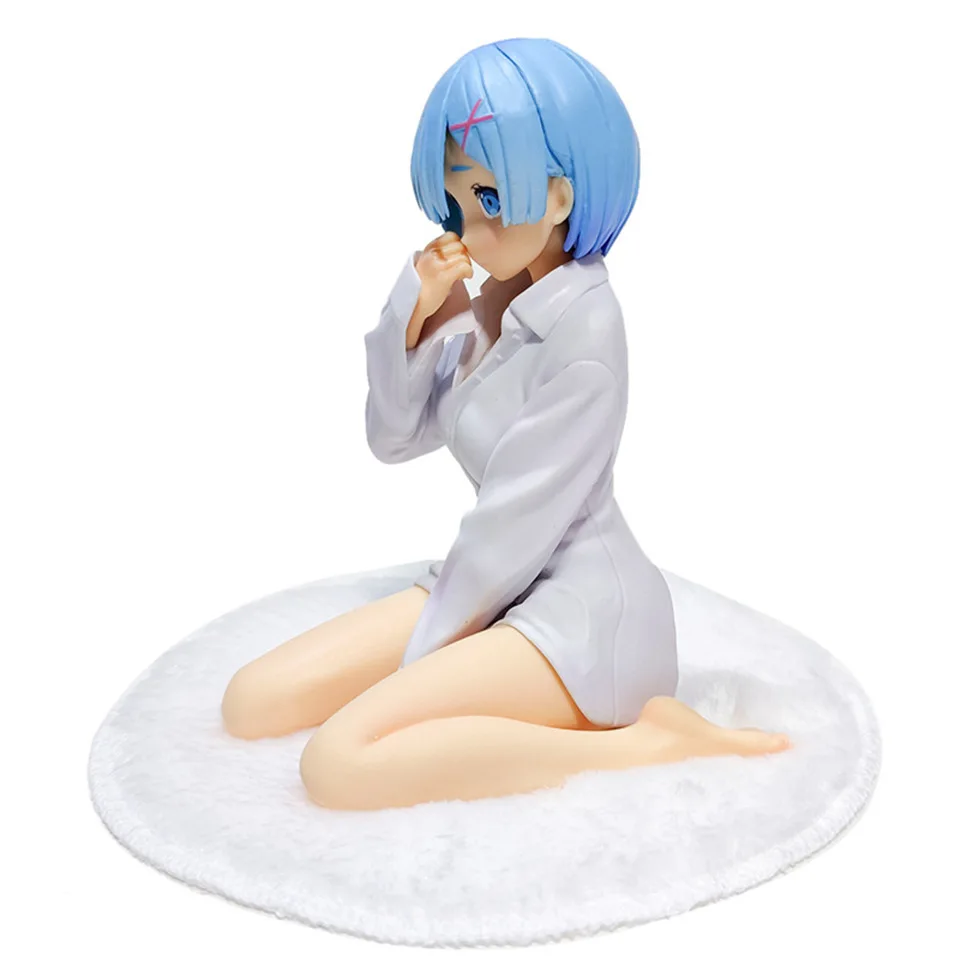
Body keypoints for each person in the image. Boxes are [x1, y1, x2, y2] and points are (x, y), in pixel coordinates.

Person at [221, 38, 791, 810]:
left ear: (559, 197)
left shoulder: (586, 330)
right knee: (252, 702)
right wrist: (412, 315)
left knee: (339, 762)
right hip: (501, 585)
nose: (466, 227)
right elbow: (394, 438)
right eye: (456, 201)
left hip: (585, 612)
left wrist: (413, 676)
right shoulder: (492, 299)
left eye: (488, 198)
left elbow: (512, 526)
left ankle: (650, 743)